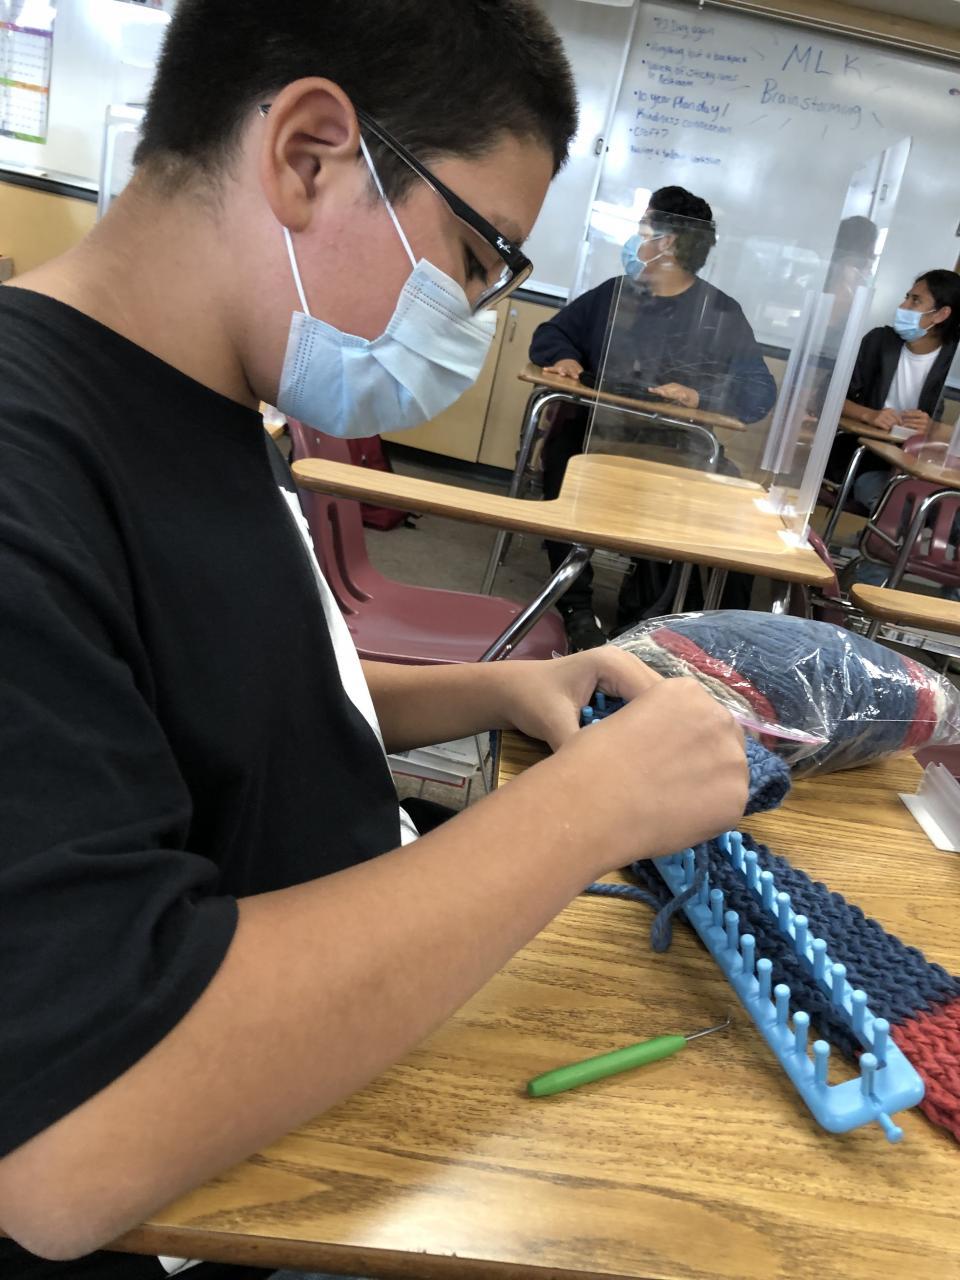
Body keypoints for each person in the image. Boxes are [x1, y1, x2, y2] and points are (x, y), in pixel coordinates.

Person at [0, 3, 749, 1278]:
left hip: (346, 1049)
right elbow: (73, 1146)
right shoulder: (31, 468)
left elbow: (227, 689)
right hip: (229, 1195)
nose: (475, 313)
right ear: (308, 153)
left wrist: (499, 691)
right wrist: (589, 810)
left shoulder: (209, 391)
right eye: (476, 255)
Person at [529, 186, 777, 650]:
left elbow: (760, 391)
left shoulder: (720, 313)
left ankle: (658, 619)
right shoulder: (614, 295)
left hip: (678, 446)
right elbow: (550, 334)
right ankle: (576, 606)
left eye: (643, 230)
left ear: (668, 242)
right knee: (563, 456)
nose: (635, 239)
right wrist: (565, 358)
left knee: (733, 503)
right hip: (595, 435)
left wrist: (699, 395)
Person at [827, 269, 960, 513]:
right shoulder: (879, 342)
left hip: (926, 467)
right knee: (897, 505)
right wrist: (869, 415)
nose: (903, 305)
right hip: (868, 460)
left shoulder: (952, 361)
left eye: (915, 300)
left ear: (941, 314)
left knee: (945, 513)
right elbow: (827, 396)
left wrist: (932, 428)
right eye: (907, 297)